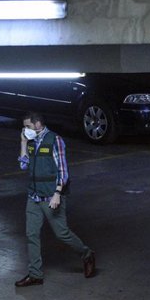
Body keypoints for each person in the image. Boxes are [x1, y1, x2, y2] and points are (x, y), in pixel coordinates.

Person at [14, 112, 95, 287]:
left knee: (62, 233)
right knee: (31, 235)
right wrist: (22, 142)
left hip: (51, 196)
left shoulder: (55, 140)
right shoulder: (30, 141)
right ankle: (35, 274)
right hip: (33, 196)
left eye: (27, 126)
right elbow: (23, 165)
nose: (25, 130)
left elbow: (63, 171)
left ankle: (87, 254)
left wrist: (58, 193)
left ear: (37, 124)